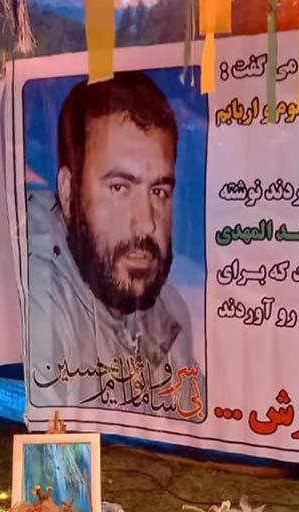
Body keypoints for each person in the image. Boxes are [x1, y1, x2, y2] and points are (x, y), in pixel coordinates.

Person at [27, 72, 201, 416]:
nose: (147, 223)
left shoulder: (168, 312)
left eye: (159, 192)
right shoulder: (38, 299)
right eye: (120, 188)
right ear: (69, 193)